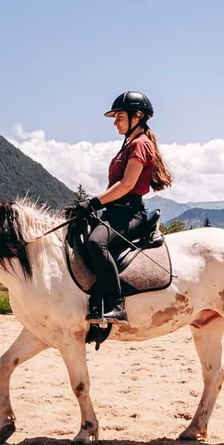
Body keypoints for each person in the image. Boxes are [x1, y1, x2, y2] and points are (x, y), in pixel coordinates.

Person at [72, 91, 173, 325]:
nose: (115, 122)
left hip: (129, 214)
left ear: (137, 116)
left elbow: (127, 185)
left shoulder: (141, 145)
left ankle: (116, 303)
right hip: (113, 212)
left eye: (119, 117)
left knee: (97, 243)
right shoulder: (128, 145)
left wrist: (93, 202)